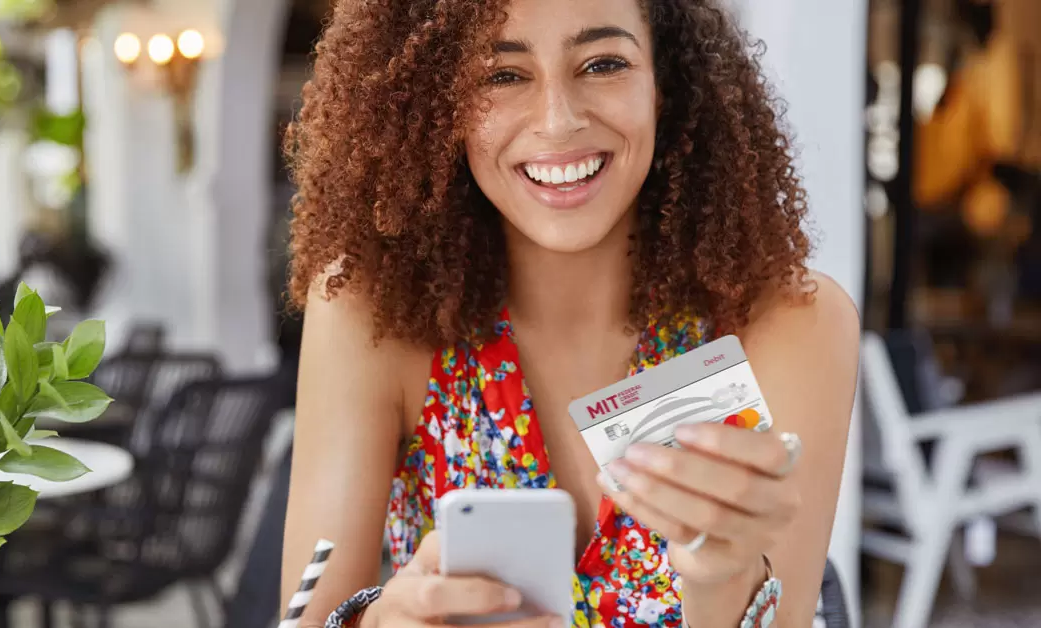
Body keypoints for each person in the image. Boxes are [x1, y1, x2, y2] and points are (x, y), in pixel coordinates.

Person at [280, 0, 860, 626]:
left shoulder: (787, 322)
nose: (558, 121)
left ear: (667, 83)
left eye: (604, 63)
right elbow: (302, 616)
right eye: (501, 76)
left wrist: (724, 578)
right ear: (431, 102)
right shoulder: (372, 311)